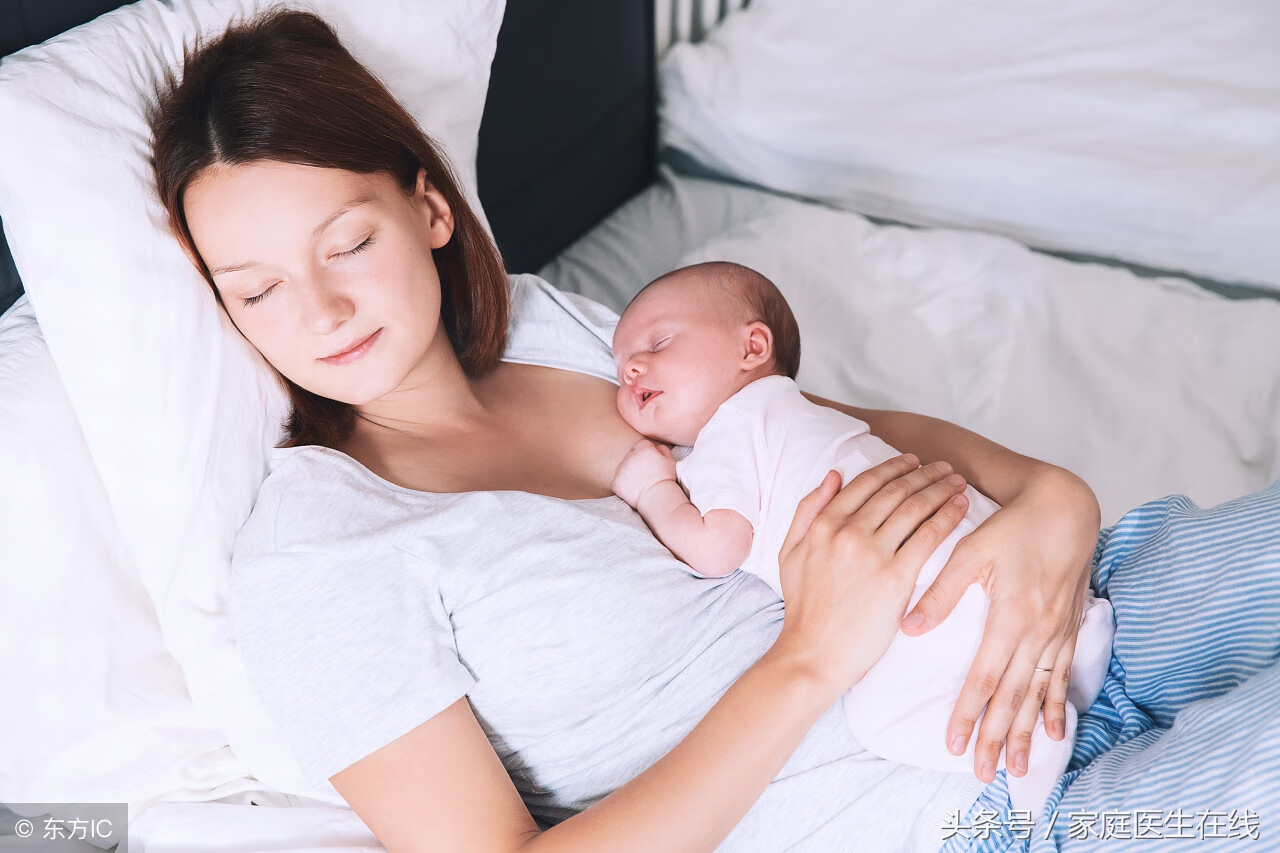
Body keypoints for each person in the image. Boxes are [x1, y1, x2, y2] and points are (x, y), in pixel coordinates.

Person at [149, 10, 1114, 852]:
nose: (321, 311)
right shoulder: (320, 555)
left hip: (1057, 597)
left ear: (430, 208)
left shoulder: (546, 329)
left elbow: (803, 421)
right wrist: (809, 656)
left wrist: (1051, 498)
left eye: (349, 243)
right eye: (260, 290)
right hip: (967, 800)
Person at [609, 261, 1115, 820]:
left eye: (658, 343)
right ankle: (1086, 636)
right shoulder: (797, 409)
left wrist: (654, 491)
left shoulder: (723, 436)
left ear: (753, 346)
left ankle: (1030, 746)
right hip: (980, 541)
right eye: (620, 369)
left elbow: (717, 547)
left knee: (878, 719)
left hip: (915, 603)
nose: (632, 368)